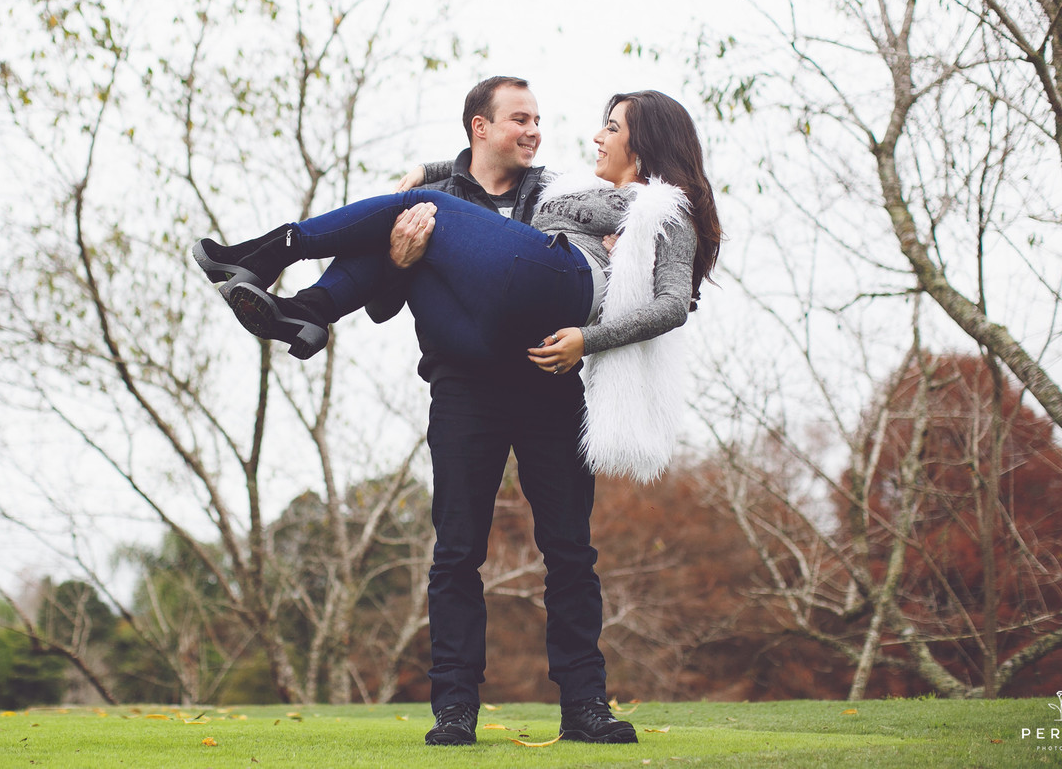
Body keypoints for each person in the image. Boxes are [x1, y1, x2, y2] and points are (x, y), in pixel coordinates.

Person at [192, 83, 722, 744]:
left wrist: (589, 335)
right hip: (465, 378)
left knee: (569, 548)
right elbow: (387, 300)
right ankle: (455, 709)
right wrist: (400, 249)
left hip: (543, 374)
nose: (542, 132)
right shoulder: (464, 191)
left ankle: (586, 704)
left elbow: (670, 299)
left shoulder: (570, 195)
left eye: (545, 120)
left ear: (643, 142)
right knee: (456, 550)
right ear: (482, 127)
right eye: (521, 119)